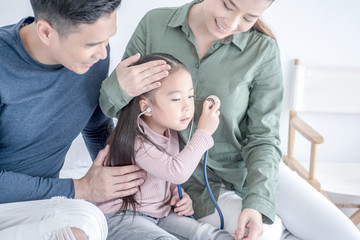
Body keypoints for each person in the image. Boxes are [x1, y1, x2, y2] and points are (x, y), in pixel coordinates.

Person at [99, 0, 360, 240]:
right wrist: (121, 86)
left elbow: (264, 138)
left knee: (345, 234)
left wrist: (257, 203)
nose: (231, 23)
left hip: (251, 168)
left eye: (248, 17)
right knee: (265, 234)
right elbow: (115, 108)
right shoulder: (155, 25)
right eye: (227, 5)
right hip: (193, 184)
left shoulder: (262, 49)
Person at [0, 0, 170, 239]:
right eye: (91, 44)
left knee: (89, 220)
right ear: (46, 32)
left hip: (41, 202)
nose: (103, 53)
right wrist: (81, 187)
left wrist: (141, 184)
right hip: (12, 203)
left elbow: (96, 125)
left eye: (108, 39)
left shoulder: (93, 59)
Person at [97, 52, 234, 239]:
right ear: (146, 107)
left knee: (210, 235)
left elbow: (163, 176)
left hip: (159, 214)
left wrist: (178, 196)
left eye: (190, 96)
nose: (187, 106)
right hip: (122, 217)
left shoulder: (171, 133)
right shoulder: (136, 141)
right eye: (176, 99)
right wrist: (203, 133)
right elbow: (177, 171)